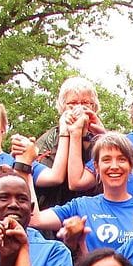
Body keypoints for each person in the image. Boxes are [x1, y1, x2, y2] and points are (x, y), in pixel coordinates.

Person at [34, 132, 133, 254]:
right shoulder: (81, 206)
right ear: (96, 166)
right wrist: (25, 167)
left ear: (131, 165)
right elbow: (35, 220)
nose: (114, 166)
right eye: (106, 160)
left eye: (122, 159)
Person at [33, 76, 107, 209]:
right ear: (63, 107)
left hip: (92, 210)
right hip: (53, 209)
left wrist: (88, 137)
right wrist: (67, 135)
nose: (78, 108)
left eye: (85, 103)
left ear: (93, 107)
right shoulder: (49, 139)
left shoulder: (101, 138)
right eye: (72, 103)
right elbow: (47, 176)